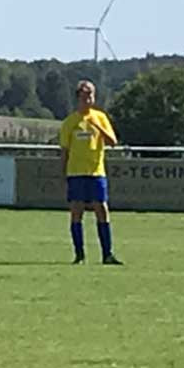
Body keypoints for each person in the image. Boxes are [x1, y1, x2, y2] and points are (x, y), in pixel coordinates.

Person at [58, 80, 122, 265]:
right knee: (76, 211)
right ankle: (79, 255)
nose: (89, 99)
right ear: (78, 97)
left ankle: (107, 254)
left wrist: (99, 127)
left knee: (101, 209)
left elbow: (113, 141)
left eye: (91, 94)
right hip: (76, 172)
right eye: (85, 95)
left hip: (96, 172)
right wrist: (63, 173)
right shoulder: (70, 122)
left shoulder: (100, 117)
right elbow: (65, 150)